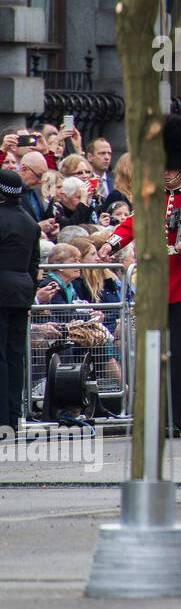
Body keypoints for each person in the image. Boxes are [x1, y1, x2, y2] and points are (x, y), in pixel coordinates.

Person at [101, 116, 181, 436]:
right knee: (153, 351)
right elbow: (131, 225)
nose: (167, 174)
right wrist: (111, 244)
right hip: (154, 283)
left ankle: (174, 416)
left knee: (178, 354)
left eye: (172, 169)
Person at [0, 169, 42, 430]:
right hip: (22, 291)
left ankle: (1, 417)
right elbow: (34, 264)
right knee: (16, 357)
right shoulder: (30, 221)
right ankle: (13, 418)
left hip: (2, 289)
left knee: (1, 356)